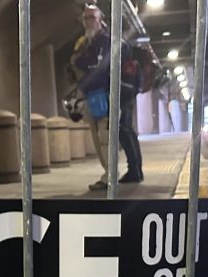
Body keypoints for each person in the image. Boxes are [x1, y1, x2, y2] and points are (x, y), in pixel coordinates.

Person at [68, 3, 143, 192]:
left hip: (106, 95)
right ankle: (110, 173)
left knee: (105, 138)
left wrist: (78, 61)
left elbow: (96, 66)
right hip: (92, 96)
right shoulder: (86, 43)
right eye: (85, 18)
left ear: (101, 21)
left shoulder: (105, 41)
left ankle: (110, 175)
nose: (88, 22)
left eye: (92, 18)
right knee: (98, 137)